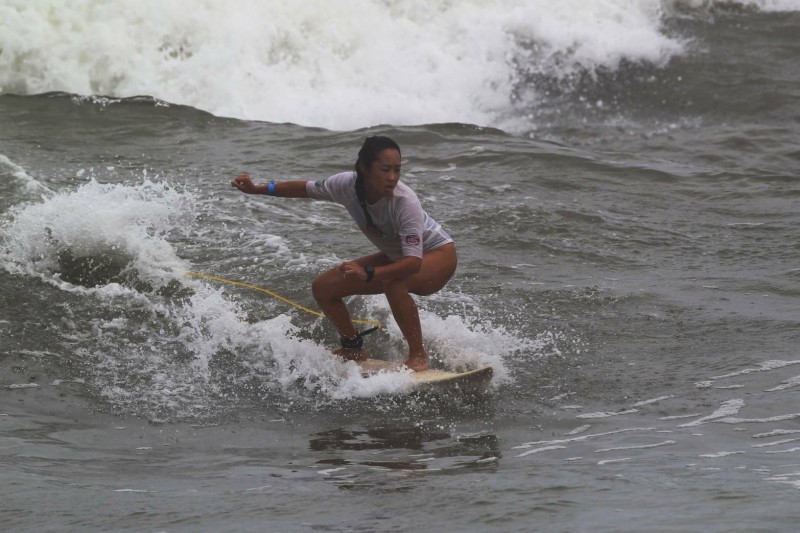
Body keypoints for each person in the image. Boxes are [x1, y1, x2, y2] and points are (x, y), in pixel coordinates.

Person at [230, 136, 456, 371]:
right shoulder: (346, 185)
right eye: (385, 169)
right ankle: (352, 347)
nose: (392, 177)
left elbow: (412, 263)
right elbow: (304, 188)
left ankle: (418, 355)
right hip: (398, 256)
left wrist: (368, 272)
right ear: (364, 168)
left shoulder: (404, 202)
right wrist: (258, 189)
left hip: (436, 254)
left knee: (393, 282)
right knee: (324, 287)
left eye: (397, 170)